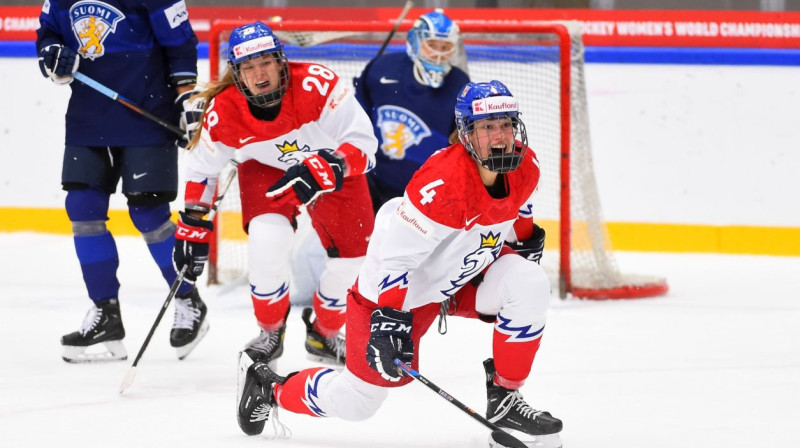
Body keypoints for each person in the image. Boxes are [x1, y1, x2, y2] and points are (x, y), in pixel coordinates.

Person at [235, 80, 562, 447]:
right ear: (465, 134)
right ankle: (272, 389)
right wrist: (389, 321)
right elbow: (396, 259)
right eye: (486, 127)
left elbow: (519, 208)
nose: (499, 136)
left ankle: (506, 399)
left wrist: (524, 238)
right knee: (358, 402)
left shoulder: (527, 163)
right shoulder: (442, 183)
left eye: (505, 124)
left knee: (529, 281)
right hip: (397, 293)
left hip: (461, 276)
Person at [173, 22, 377, 367]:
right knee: (266, 244)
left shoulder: (317, 83)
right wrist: (193, 225)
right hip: (268, 171)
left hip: (330, 168)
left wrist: (330, 166)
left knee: (354, 262)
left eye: (265, 62)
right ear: (236, 74)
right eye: (249, 67)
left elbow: (364, 145)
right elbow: (201, 170)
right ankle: (270, 331)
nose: (259, 73)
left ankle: (324, 333)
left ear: (281, 61)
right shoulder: (224, 110)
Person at [37, 0, 208, 363]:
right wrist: (51, 53)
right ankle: (106, 314)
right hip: (88, 115)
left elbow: (180, 43)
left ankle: (187, 298)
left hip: (147, 111)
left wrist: (186, 97)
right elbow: (48, 33)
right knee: (82, 210)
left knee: (148, 213)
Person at [354, 9, 470, 213]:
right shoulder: (381, 69)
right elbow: (356, 119)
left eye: (446, 47)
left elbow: (460, 146)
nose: (439, 53)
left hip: (424, 194)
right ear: (416, 42)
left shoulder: (460, 84)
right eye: (432, 45)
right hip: (373, 183)